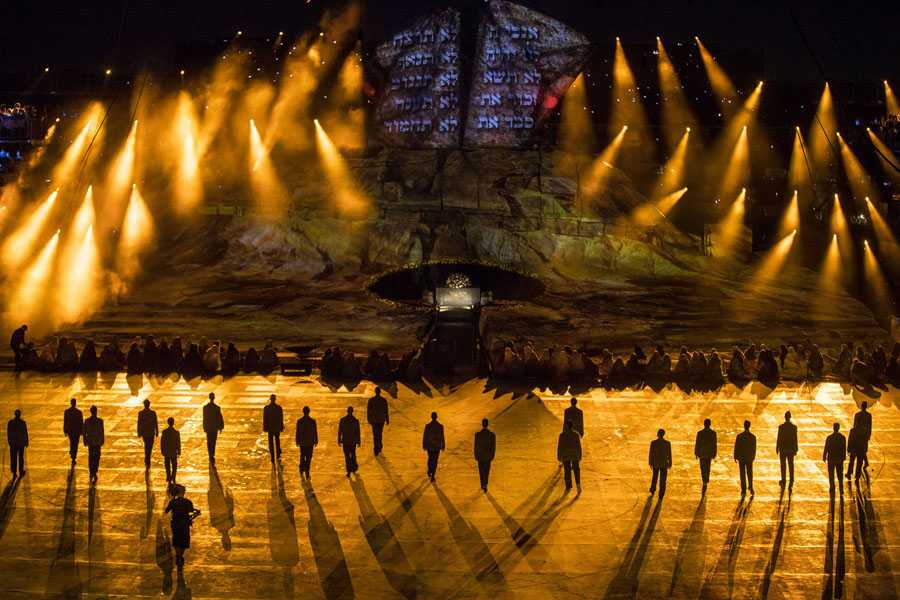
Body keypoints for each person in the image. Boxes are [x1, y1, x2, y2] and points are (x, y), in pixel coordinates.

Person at [165, 484, 201, 571]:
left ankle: (178, 555)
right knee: (184, 540)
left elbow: (166, 511)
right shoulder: (187, 502)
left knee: (177, 540)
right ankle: (180, 555)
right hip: (184, 524)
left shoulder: (173, 502)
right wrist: (197, 512)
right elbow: (192, 510)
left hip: (175, 523)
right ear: (183, 492)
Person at [557, 420, 582, 493]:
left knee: (567, 470)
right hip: (575, 455)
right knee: (576, 470)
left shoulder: (562, 435)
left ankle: (568, 485)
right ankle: (578, 484)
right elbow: (578, 446)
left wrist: (559, 457)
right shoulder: (576, 435)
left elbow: (560, 447)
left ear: (566, 426)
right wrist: (580, 455)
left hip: (566, 455)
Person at [694, 418, 717, 493]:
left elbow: (697, 443)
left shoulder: (700, 433)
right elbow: (714, 445)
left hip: (702, 453)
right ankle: (706, 479)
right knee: (707, 467)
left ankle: (705, 480)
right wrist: (714, 453)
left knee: (703, 468)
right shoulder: (713, 433)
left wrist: (696, 452)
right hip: (709, 453)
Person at [733, 420, 756, 496]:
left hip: (742, 457)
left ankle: (743, 490)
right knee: (749, 473)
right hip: (749, 458)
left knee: (742, 474)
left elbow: (736, 447)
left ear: (744, 426)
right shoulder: (753, 437)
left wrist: (735, 456)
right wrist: (753, 457)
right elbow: (754, 448)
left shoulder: (739, 436)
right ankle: (751, 486)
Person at [776, 411, 798, 489]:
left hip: (783, 449)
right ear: (790, 417)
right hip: (791, 449)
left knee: (783, 465)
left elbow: (779, 438)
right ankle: (791, 479)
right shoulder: (794, 427)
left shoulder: (781, 427)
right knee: (791, 465)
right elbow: (795, 439)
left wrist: (777, 447)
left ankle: (784, 479)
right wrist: (796, 449)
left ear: (785, 417)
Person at [823, 423, 847, 494]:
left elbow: (826, 447)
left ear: (833, 428)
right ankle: (841, 488)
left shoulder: (829, 437)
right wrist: (843, 457)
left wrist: (824, 456)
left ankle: (832, 487)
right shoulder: (842, 437)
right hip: (839, 459)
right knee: (840, 475)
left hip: (831, 458)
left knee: (831, 474)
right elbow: (843, 448)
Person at [83, 405, 105, 483]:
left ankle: (92, 471)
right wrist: (102, 440)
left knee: (91, 457)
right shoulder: (100, 421)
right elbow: (102, 432)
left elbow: (84, 432)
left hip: (91, 442)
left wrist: (85, 441)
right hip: (97, 442)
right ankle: (94, 471)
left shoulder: (87, 421)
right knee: (96, 457)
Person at [422, 412, 446, 482]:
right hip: (436, 446)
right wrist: (443, 445)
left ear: (431, 417)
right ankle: (433, 475)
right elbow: (442, 437)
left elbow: (425, 436)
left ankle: (430, 470)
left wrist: (424, 445)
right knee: (435, 461)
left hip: (430, 446)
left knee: (430, 459)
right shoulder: (440, 426)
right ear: (436, 417)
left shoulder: (428, 426)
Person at [338, 406, 361, 477]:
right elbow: (358, 432)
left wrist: (339, 439)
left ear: (347, 411)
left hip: (346, 441)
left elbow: (340, 431)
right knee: (353, 454)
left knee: (347, 456)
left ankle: (349, 470)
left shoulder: (342, 420)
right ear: (352, 411)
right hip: (353, 441)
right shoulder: (355, 420)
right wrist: (359, 441)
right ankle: (353, 467)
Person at [474, 418, 496, 492]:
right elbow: (493, 446)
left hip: (480, 456)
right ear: (487, 424)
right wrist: (492, 455)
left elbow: (475, 446)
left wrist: (476, 455)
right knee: (486, 470)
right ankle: (485, 483)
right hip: (488, 456)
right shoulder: (492, 435)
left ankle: (482, 483)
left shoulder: (477, 435)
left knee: (481, 470)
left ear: (482, 424)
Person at [649, 429, 672, 498]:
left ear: (658, 434)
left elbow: (651, 453)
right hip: (664, 464)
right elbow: (669, 454)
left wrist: (650, 462)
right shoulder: (667, 443)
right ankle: (661, 494)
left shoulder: (653, 443)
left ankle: (652, 490)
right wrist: (670, 463)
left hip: (656, 463)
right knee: (663, 479)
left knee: (654, 477)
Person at [366, 386, 389, 456]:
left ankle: (376, 448)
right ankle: (379, 445)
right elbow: (386, 410)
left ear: (375, 392)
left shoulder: (371, 400)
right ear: (380, 392)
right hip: (381, 420)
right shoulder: (383, 400)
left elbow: (368, 411)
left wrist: (368, 419)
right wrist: (387, 419)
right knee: (380, 433)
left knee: (375, 435)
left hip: (374, 420)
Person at [296, 406, 318, 479]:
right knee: (308, 457)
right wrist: (316, 440)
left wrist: (297, 440)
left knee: (302, 456)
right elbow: (315, 432)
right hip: (309, 442)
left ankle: (302, 468)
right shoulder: (312, 421)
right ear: (309, 412)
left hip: (303, 442)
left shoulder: (299, 421)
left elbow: (297, 432)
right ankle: (307, 470)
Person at [137, 399, 159, 470]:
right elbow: (155, 422)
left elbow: (139, 423)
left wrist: (139, 432)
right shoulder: (153, 413)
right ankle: (147, 457)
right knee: (149, 446)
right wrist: (157, 431)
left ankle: (147, 457)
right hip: (150, 432)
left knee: (147, 445)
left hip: (145, 432)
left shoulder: (141, 413)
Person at [203, 393, 224, 463]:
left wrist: (204, 427)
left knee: (209, 441)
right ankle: (212, 453)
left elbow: (204, 418)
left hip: (209, 427)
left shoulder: (205, 408)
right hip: (214, 427)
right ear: (214, 398)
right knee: (213, 441)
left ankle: (210, 453)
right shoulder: (217, 408)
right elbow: (220, 418)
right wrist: (221, 427)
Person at [263, 394, 284, 463]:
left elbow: (265, 419)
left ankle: (272, 456)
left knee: (271, 443)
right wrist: (281, 426)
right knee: (277, 441)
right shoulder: (279, 408)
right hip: (276, 427)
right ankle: (278, 454)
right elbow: (281, 418)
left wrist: (265, 427)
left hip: (270, 428)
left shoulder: (266, 408)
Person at [7, 409, 28, 477]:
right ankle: (21, 470)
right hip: (20, 443)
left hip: (13, 443)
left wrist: (9, 442)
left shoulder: (10, 423)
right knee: (20, 457)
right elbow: (25, 433)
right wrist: (26, 442)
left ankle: (14, 472)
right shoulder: (22, 423)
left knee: (13, 458)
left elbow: (8, 433)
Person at [854, 401, 873, 470]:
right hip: (865, 435)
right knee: (863, 450)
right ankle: (866, 462)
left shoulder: (857, 415)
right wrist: (869, 435)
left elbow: (854, 426)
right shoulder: (868, 415)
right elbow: (870, 426)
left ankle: (866, 462)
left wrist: (854, 435)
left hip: (859, 435)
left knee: (860, 450)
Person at [63, 398, 84, 462]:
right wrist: (81, 431)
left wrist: (65, 430)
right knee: (75, 443)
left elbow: (65, 421)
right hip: (76, 431)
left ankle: (72, 453)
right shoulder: (79, 412)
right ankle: (74, 455)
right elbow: (81, 422)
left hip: (70, 430)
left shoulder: (67, 412)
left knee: (72, 442)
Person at [161, 417, 181, 483]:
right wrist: (179, 451)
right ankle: (173, 476)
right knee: (174, 465)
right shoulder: (176, 432)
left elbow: (162, 442)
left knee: (167, 465)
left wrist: (162, 450)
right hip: (173, 451)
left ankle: (168, 476)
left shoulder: (164, 432)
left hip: (167, 451)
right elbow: (178, 442)